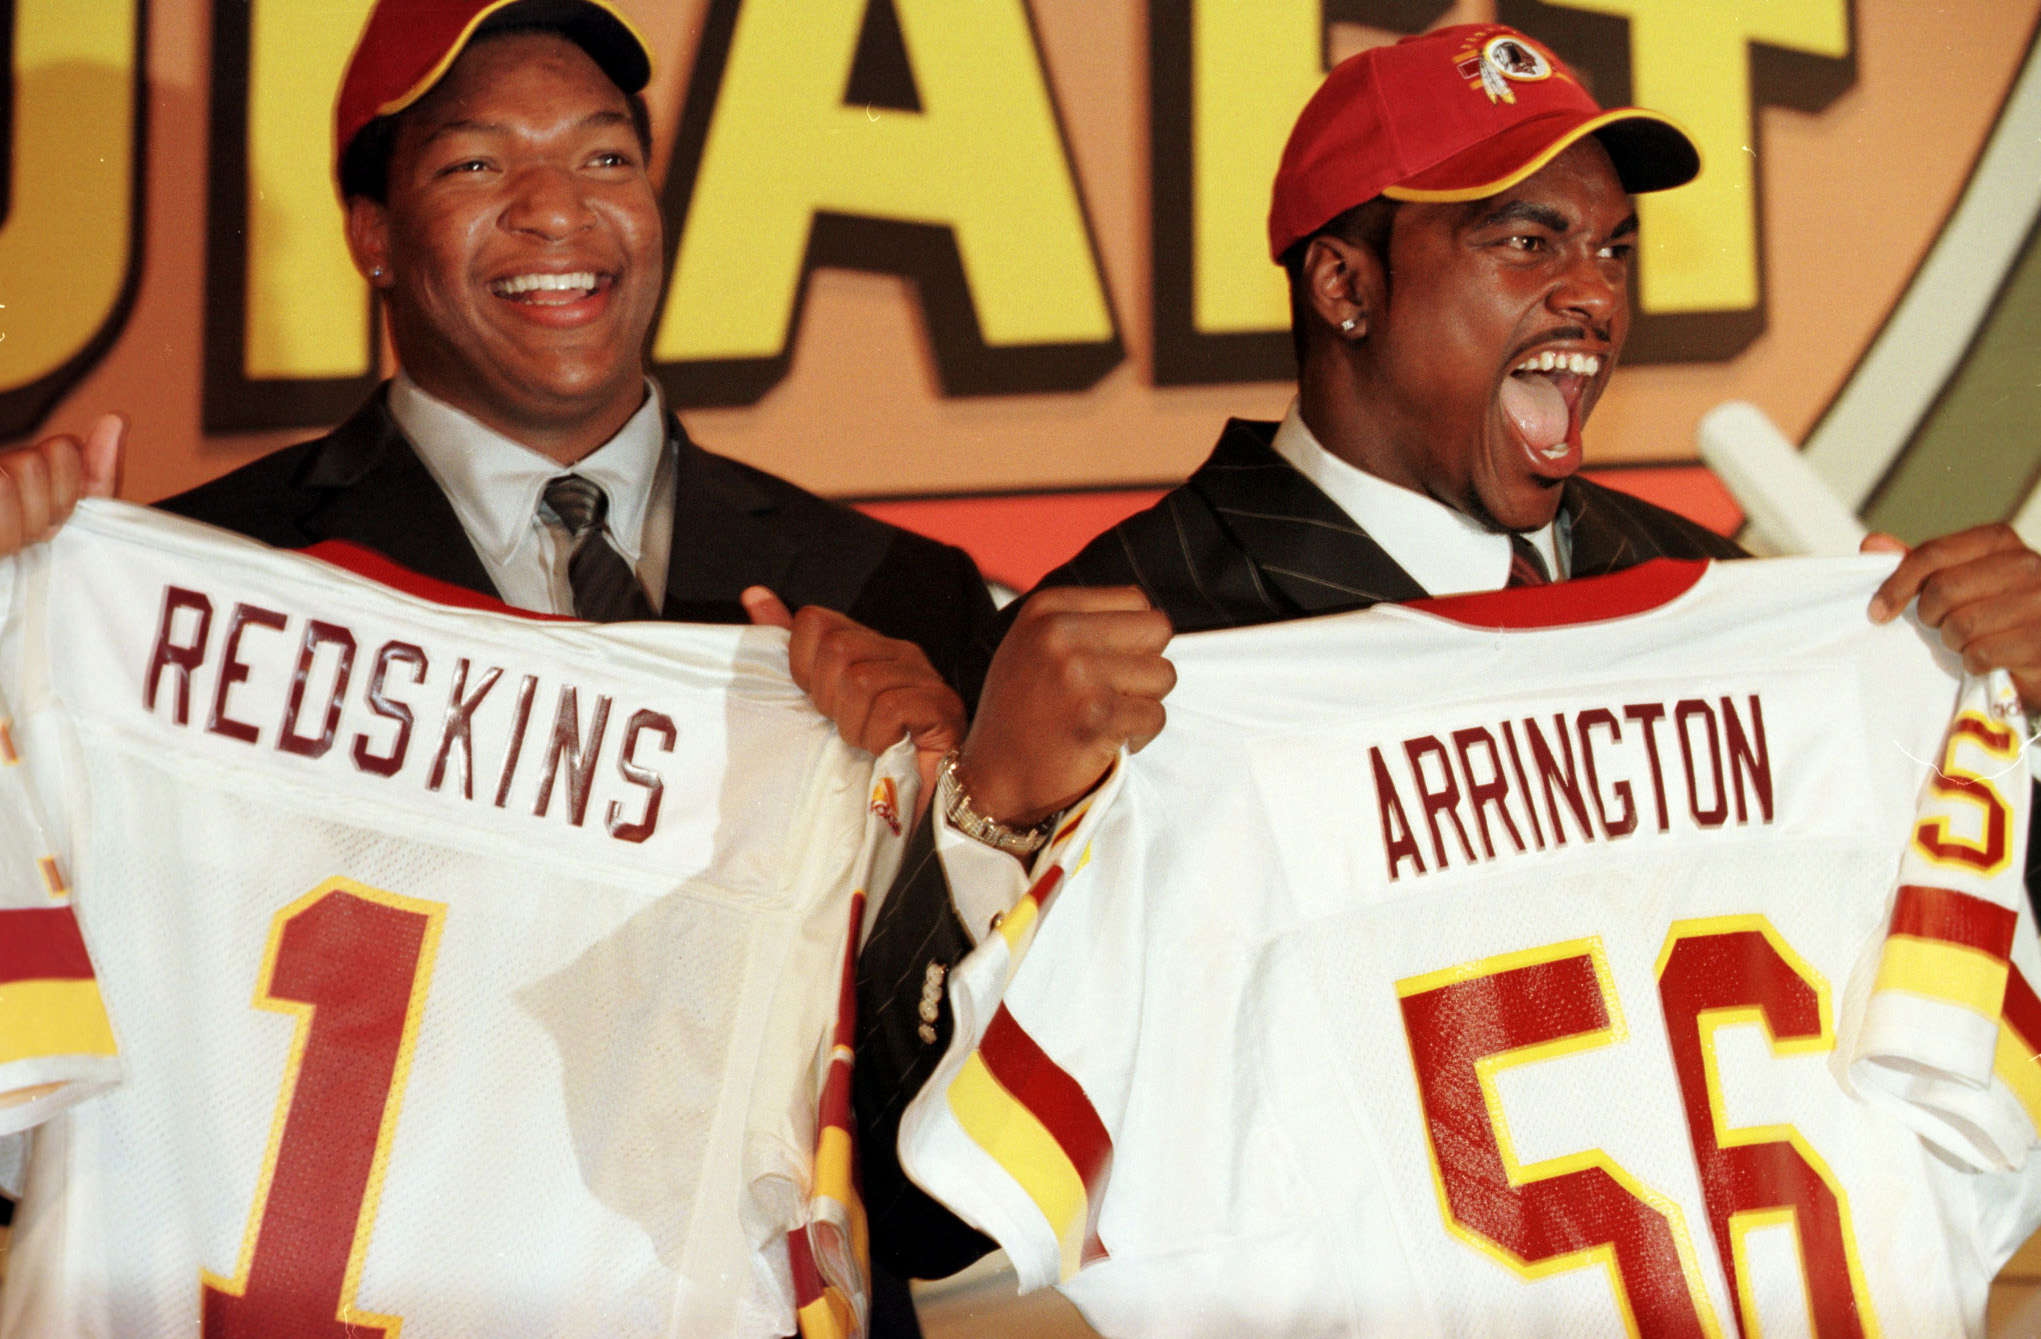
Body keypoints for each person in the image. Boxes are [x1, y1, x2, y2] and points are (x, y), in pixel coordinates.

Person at [853, 21, 2041, 1283]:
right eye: (1525, 241)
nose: (1592, 290)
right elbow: (932, 1219)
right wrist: (993, 825)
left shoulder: (1723, 602)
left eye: (1611, 250)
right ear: (1344, 287)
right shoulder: (1119, 642)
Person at [0, 1, 992, 1332]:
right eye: (476, 165)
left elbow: (947, 1206)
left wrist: (957, 835)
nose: (553, 211)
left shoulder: (898, 603)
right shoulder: (188, 588)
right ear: (372, 234)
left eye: (604, 159)